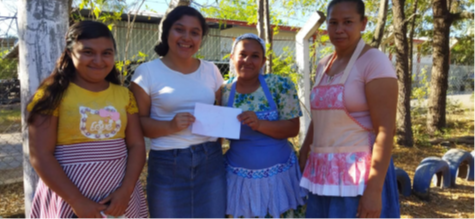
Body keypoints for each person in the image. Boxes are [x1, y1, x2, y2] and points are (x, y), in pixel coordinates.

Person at [27, 20, 147, 219]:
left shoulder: (125, 96)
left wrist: (125, 191)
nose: (98, 60)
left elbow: (136, 145)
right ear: (69, 53)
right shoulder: (51, 95)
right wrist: (76, 200)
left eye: (106, 53)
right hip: (69, 201)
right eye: (88, 52)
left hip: (118, 200)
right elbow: (40, 155)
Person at [298, 0, 401, 218]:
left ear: (363, 23)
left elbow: (385, 130)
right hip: (323, 173)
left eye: (348, 22)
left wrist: (373, 190)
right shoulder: (323, 64)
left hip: (359, 177)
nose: (339, 29)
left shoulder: (374, 61)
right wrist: (305, 151)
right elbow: (320, 117)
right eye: (333, 22)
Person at [130, 6, 226, 218]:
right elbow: (138, 125)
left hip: (211, 160)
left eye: (195, 32)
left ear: (201, 38)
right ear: (166, 33)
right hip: (167, 163)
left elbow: (225, 112)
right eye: (179, 29)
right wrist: (169, 126)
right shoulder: (146, 72)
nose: (186, 37)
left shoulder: (212, 70)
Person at [221, 33, 306, 218]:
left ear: (263, 61)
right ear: (232, 58)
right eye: (242, 54)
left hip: (279, 178)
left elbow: (293, 128)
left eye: (255, 56)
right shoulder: (223, 91)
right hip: (238, 180)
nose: (247, 60)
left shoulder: (279, 85)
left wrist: (260, 124)